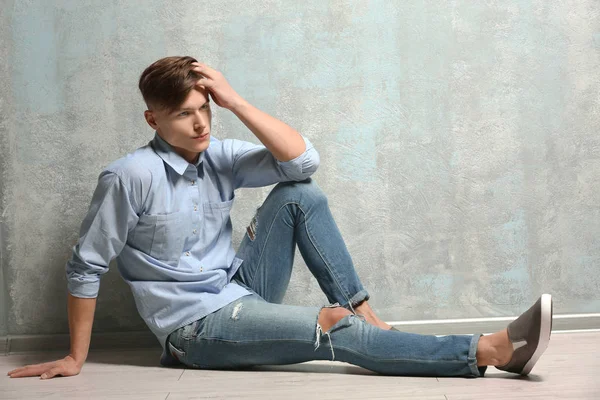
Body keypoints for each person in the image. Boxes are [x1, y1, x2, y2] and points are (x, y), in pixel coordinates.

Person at [8, 56, 552, 380]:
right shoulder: (129, 177)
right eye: (183, 114)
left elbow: (302, 160)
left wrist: (236, 100)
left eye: (205, 109)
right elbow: (85, 265)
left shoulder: (217, 153)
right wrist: (75, 358)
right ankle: (488, 350)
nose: (200, 124)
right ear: (153, 117)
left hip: (239, 288)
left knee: (300, 193)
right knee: (336, 331)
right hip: (194, 327)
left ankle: (369, 315)